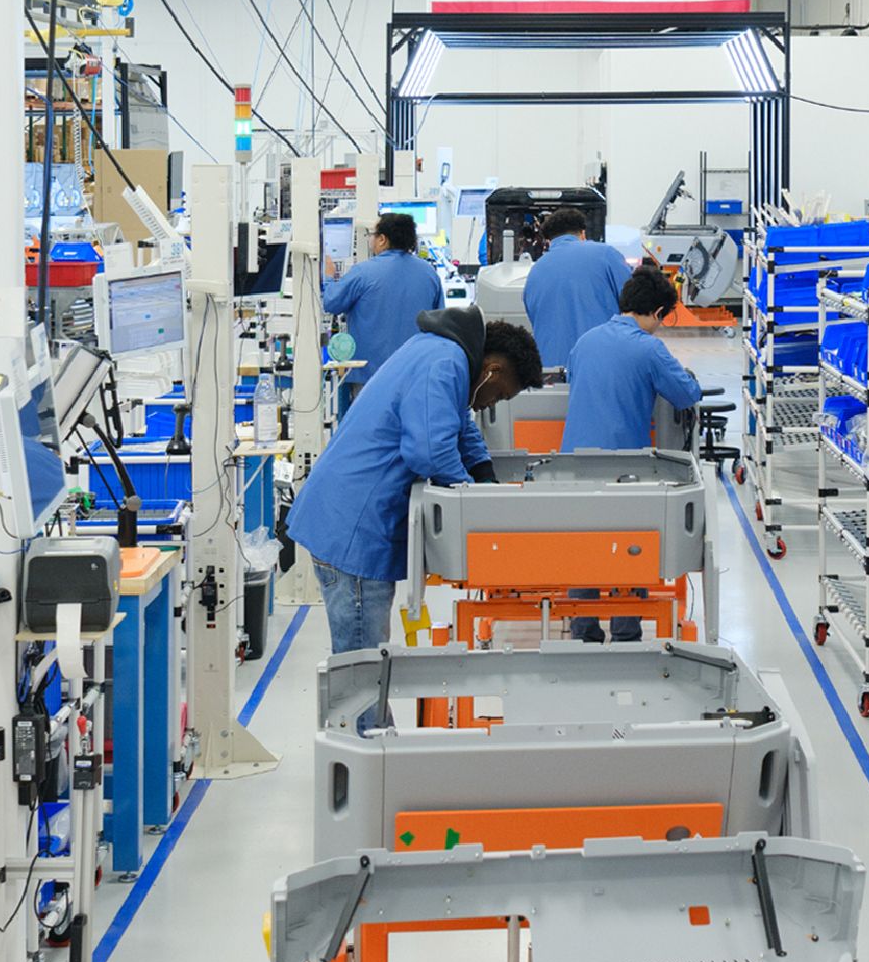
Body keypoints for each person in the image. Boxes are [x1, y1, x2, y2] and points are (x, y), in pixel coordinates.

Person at [287, 306, 542, 655]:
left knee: (366, 661)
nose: (490, 405)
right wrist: (472, 500)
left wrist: (483, 471)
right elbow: (429, 452)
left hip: (349, 515)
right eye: (499, 395)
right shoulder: (446, 363)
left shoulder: (443, 352)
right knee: (362, 668)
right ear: (492, 370)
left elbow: (458, 421)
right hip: (354, 529)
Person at [557, 267, 706, 644]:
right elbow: (686, 394)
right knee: (630, 545)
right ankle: (626, 633)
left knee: (583, 544)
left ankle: (584, 632)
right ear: (657, 312)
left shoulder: (585, 341)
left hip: (572, 466)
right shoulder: (649, 348)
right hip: (625, 468)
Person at [323, 212, 441, 418]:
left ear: (382, 239)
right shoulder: (430, 274)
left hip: (370, 379)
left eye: (373, 235)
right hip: (416, 376)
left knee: (370, 430)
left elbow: (331, 303)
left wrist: (329, 277)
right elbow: (440, 323)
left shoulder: (363, 273)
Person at [522, 205, 630, 379]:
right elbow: (635, 305)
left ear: (548, 240)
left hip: (551, 375)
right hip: (602, 368)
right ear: (582, 233)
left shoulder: (535, 272)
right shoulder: (606, 255)